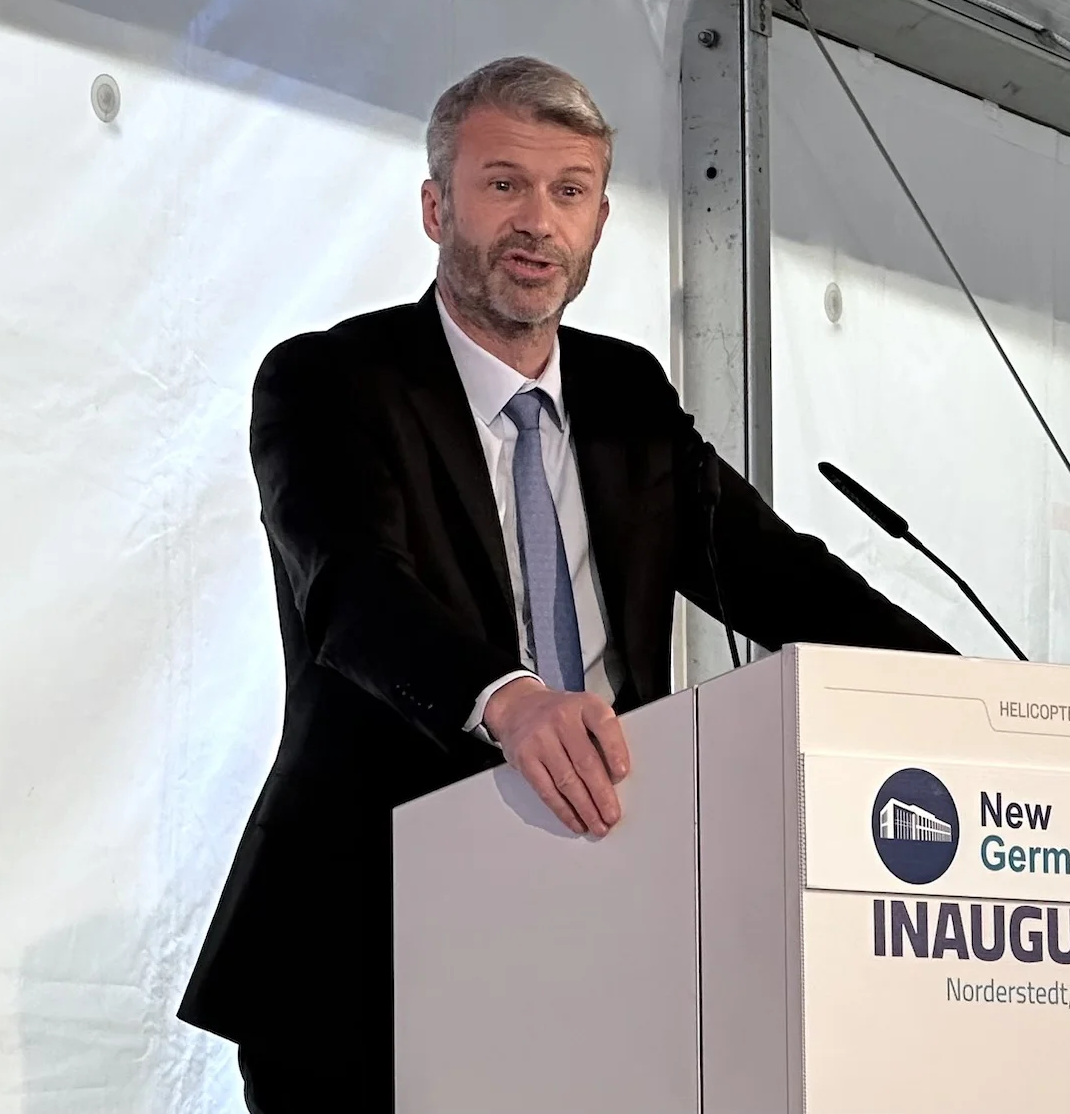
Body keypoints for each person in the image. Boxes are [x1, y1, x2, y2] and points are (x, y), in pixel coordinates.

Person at [178, 55, 956, 1113]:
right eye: (503, 184)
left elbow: (781, 578)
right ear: (436, 206)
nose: (537, 222)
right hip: (367, 940)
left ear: (597, 221)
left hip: (601, 922)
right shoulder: (331, 380)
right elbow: (353, 589)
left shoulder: (626, 394)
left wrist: (969, 699)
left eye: (569, 191)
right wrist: (510, 699)